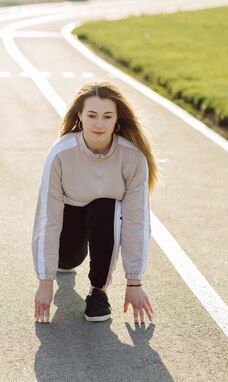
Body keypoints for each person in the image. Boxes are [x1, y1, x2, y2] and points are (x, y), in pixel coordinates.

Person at [32, 81, 156, 324]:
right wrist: (45, 281)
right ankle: (64, 262)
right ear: (80, 116)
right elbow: (48, 218)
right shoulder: (60, 154)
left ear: (117, 119)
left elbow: (136, 220)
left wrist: (134, 282)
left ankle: (98, 292)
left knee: (106, 207)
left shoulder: (133, 158)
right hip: (69, 225)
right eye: (92, 115)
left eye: (107, 116)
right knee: (66, 261)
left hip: (104, 224)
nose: (99, 123)